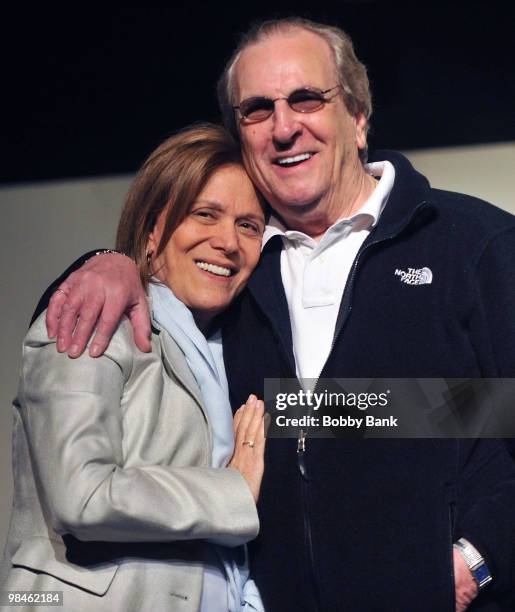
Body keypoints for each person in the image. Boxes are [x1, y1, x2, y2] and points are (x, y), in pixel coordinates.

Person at [32, 17, 515, 612]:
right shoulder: (236, 268)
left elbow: (456, 418)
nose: (284, 127)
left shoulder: (476, 245)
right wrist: (107, 261)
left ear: (359, 118)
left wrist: (481, 558)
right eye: (258, 109)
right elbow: (327, 416)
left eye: (307, 98)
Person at [1, 124, 269, 612]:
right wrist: (233, 492)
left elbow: (384, 413)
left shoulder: (236, 354)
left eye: (249, 226)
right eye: (204, 214)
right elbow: (82, 495)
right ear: (152, 230)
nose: (228, 242)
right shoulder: (95, 314)